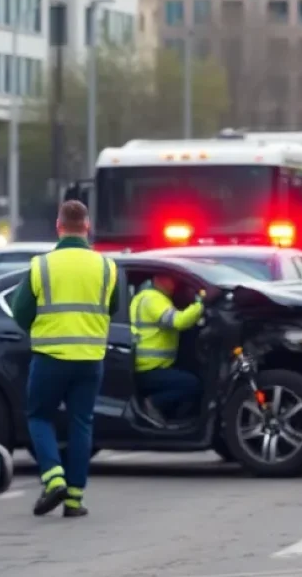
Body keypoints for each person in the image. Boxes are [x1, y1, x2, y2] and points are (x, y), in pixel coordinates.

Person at [10, 200, 118, 518]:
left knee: (40, 417)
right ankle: (74, 500)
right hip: (90, 359)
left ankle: (53, 476)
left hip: (50, 357)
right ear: (87, 227)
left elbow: (20, 312)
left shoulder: (41, 265)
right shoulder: (107, 267)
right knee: (81, 423)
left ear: (58, 227)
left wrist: (45, 327)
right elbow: (113, 308)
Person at [129, 275, 204, 424]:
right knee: (192, 384)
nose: (174, 283)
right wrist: (201, 304)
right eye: (170, 279)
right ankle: (153, 404)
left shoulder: (147, 296)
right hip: (149, 368)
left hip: (150, 365)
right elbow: (178, 321)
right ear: (158, 279)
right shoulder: (153, 299)